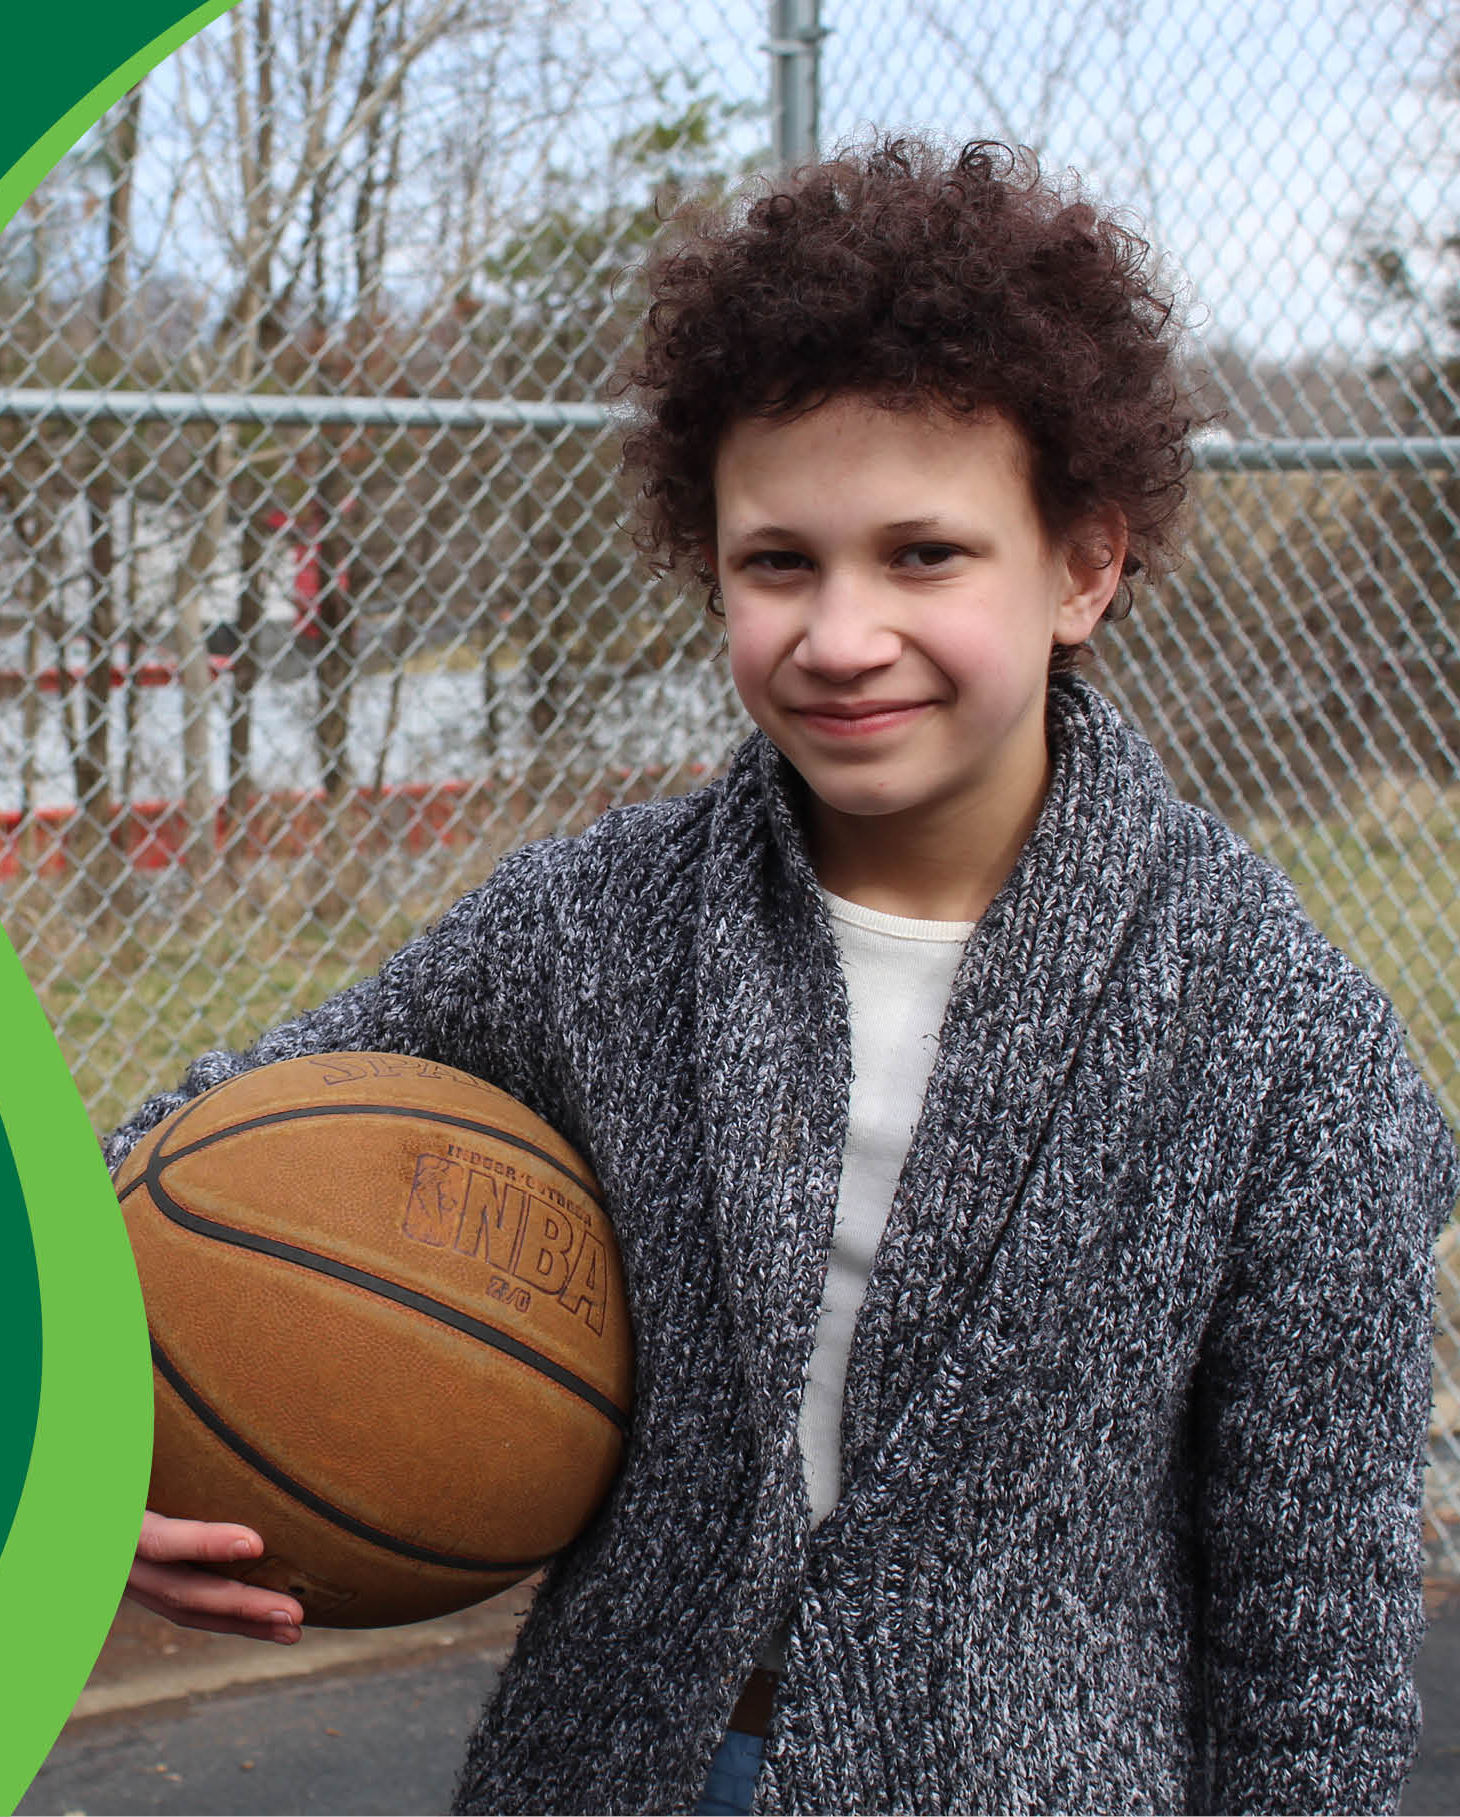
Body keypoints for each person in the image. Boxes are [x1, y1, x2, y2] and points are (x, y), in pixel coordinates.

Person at [102, 138, 1456, 1815]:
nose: (837, 633)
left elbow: (1311, 1632)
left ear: (1084, 565)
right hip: (605, 1769)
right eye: (777, 562)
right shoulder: (595, 928)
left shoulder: (1282, 1036)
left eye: (923, 554)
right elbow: (174, 1158)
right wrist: (72, 1444)